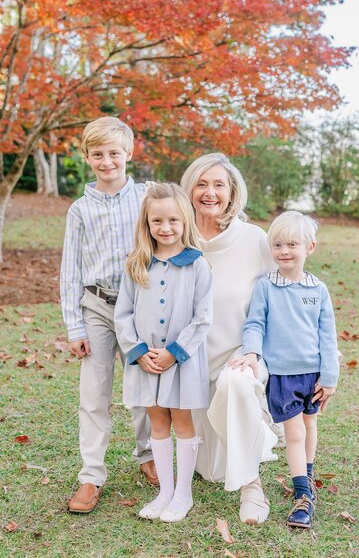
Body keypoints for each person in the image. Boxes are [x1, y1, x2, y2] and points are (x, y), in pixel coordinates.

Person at [60, 116, 157, 514]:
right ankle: (91, 475)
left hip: (139, 307)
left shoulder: (146, 197)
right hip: (96, 307)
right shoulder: (80, 209)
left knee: (142, 387)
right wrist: (74, 325)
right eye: (97, 154)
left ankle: (148, 455)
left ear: (128, 154)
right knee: (94, 393)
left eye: (114, 153)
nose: (106, 161)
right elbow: (70, 269)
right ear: (87, 157)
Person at [180, 153, 283, 525]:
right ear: (188, 189)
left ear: (232, 191)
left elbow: (283, 299)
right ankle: (253, 436)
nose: (210, 192)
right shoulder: (176, 236)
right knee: (212, 472)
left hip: (243, 355)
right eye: (201, 183)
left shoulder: (253, 239)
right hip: (189, 367)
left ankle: (253, 488)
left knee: (238, 383)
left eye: (218, 184)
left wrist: (257, 350)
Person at [114, 182, 212, 522]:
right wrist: (138, 351)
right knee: (157, 421)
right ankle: (164, 493)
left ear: (185, 220)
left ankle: (183, 494)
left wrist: (174, 352)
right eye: (157, 222)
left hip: (179, 361)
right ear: (147, 223)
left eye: (173, 220)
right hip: (146, 361)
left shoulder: (197, 264)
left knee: (181, 421)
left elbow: (203, 318)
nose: (165, 228)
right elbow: (122, 313)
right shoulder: (136, 264)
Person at [239, 210, 339, 529]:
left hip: (314, 376)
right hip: (283, 377)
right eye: (278, 244)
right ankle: (302, 497)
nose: (284, 251)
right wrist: (252, 352)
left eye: (292, 244)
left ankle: (307, 478)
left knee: (310, 427)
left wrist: (330, 377)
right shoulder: (266, 287)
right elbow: (254, 323)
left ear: (309, 247)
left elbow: (327, 335)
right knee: (294, 433)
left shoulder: (317, 290)